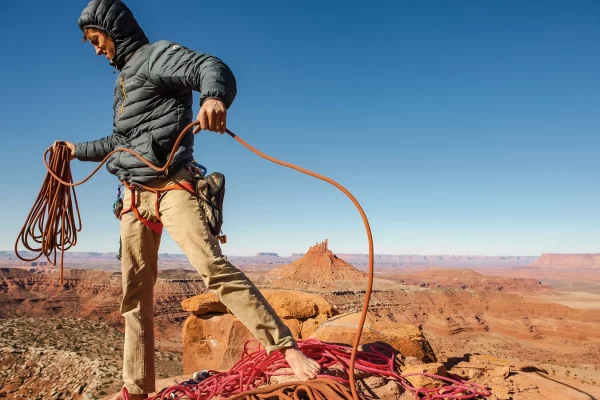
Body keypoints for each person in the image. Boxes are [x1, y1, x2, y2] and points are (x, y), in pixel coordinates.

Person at [55, 0, 320, 398]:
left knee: (212, 268)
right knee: (135, 296)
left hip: (174, 185)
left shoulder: (154, 55)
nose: (96, 49)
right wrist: (77, 149)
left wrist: (213, 98)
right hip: (133, 196)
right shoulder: (123, 80)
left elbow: (210, 67)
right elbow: (120, 142)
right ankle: (136, 388)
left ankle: (286, 349)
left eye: (97, 39)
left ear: (114, 31)